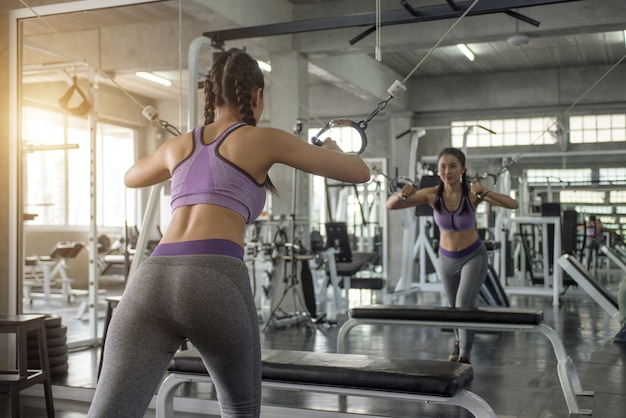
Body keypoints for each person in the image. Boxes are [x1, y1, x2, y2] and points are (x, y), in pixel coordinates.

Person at [88, 48, 370, 418]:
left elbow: (131, 177)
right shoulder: (262, 139)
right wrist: (335, 148)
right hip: (215, 278)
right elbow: (359, 171)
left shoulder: (179, 145)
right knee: (239, 411)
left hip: (151, 281)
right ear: (257, 96)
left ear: (212, 96)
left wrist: (179, 154)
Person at [386, 147, 518, 364]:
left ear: (463, 168)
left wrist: (485, 192)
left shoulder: (471, 193)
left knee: (464, 305)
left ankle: (464, 359)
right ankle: (458, 343)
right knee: (453, 308)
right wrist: (402, 194)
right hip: (446, 259)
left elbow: (514, 204)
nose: (447, 171)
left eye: (453, 166)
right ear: (438, 170)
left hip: (473, 256)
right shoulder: (431, 194)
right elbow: (390, 206)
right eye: (443, 166)